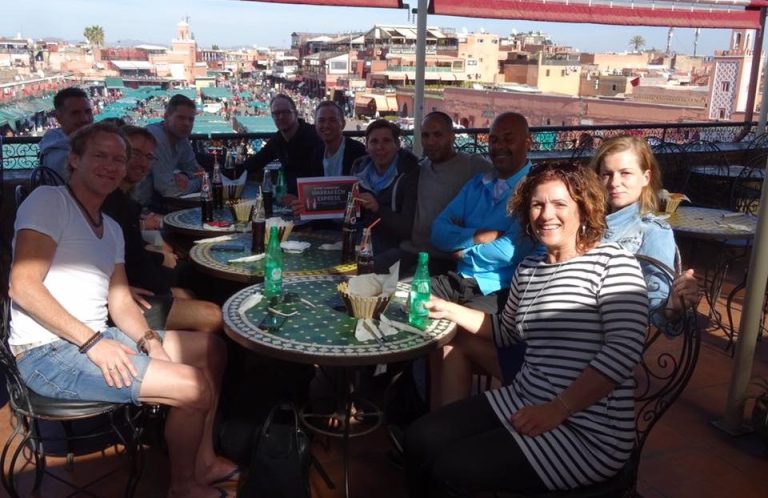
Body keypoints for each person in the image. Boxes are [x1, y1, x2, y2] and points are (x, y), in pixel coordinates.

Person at [9, 122, 236, 498]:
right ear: (75, 160)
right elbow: (23, 286)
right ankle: (183, 486)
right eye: (100, 156)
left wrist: (150, 341)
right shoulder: (49, 201)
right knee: (193, 387)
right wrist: (94, 343)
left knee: (212, 349)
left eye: (118, 159)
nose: (111, 166)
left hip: (94, 338)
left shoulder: (110, 227)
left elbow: (119, 300)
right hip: (46, 354)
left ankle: (204, 461)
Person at [405, 163, 649, 497]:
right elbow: (505, 333)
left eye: (560, 204)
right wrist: (448, 309)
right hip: (524, 398)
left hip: (589, 432)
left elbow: (623, 352)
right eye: (537, 204)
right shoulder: (530, 269)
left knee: (451, 469)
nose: (546, 214)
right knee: (420, 438)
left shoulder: (613, 263)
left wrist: (558, 409)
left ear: (584, 207)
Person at [101, 125, 222, 333]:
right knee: (212, 308)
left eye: (148, 157)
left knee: (197, 286)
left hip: (134, 286)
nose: (142, 163)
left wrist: (154, 248)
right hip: (125, 298)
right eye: (135, 154)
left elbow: (127, 250)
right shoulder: (107, 203)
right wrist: (160, 258)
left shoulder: (121, 201)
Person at [429, 112, 536, 314]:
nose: (500, 146)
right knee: (405, 303)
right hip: (459, 280)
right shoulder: (477, 184)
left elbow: (508, 251)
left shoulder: (536, 188)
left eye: (508, 139)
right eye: (494, 140)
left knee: (454, 332)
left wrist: (462, 252)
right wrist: (480, 236)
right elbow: (437, 231)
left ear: (528, 143)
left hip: (500, 289)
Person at [590, 135, 699, 325]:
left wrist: (671, 308)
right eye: (606, 174)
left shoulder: (652, 231)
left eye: (625, 173)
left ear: (645, 178)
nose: (614, 183)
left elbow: (656, 308)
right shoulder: (586, 222)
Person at [399, 111, 491, 274]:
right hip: (411, 250)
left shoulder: (473, 165)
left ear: (452, 136)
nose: (431, 141)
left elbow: (504, 183)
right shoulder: (420, 167)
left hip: (445, 257)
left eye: (437, 135)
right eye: (425, 136)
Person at [350, 119, 419, 265]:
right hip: (363, 242)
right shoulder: (358, 170)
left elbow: (407, 228)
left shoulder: (410, 173)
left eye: (386, 141)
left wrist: (378, 208)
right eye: (374, 142)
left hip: (396, 248)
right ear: (366, 147)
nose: (380, 147)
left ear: (397, 145)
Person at [286, 100, 366, 216]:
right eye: (321, 121)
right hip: (326, 224)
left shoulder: (357, 150)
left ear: (342, 124)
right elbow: (314, 191)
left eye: (332, 120)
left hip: (354, 222)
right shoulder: (317, 153)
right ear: (316, 125)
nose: (326, 125)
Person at [243, 94, 322, 202]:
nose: (280, 117)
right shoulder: (278, 140)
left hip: (314, 202)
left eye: (285, 112)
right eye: (276, 113)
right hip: (289, 202)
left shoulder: (314, 136)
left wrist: (302, 198)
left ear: (295, 113)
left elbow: (323, 176)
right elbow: (256, 161)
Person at [132, 94, 203, 208]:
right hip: (138, 207)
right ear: (166, 117)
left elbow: (197, 171)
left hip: (155, 205)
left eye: (191, 119)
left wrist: (182, 174)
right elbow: (169, 191)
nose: (187, 123)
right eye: (181, 118)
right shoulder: (156, 138)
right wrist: (198, 182)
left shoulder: (181, 138)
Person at [39, 87, 94, 177]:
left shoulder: (53, 139)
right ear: (59, 118)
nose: (85, 118)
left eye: (88, 112)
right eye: (75, 113)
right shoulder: (64, 157)